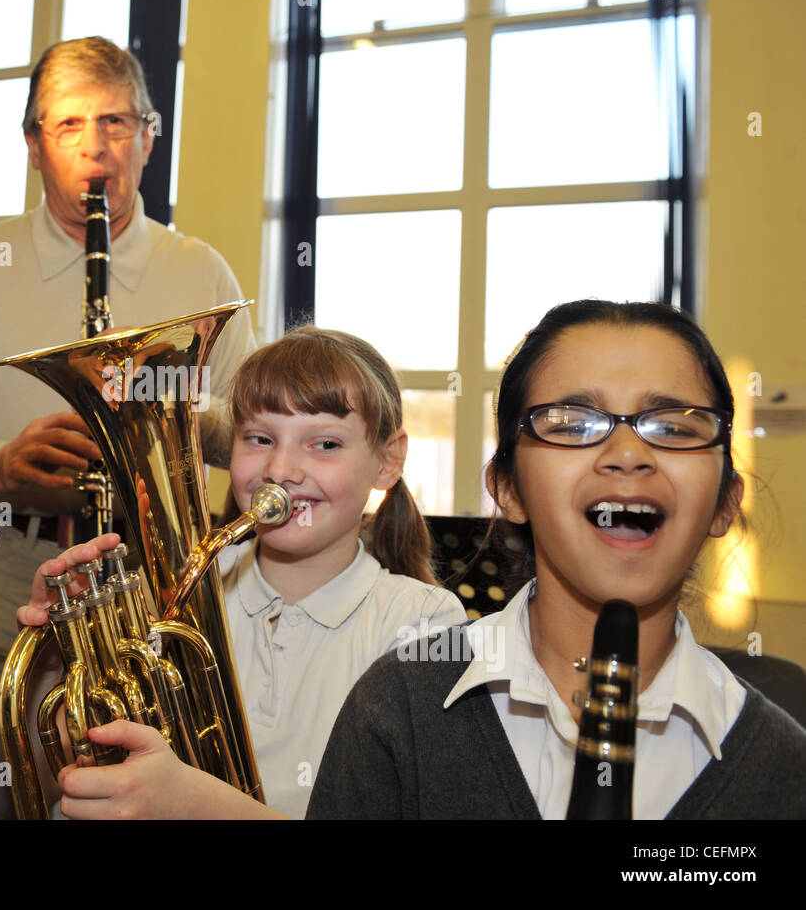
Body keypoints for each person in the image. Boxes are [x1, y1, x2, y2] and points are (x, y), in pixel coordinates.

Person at [0, 36, 256, 818]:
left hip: (155, 611)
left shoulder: (200, 270)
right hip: (10, 608)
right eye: (67, 125)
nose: (95, 147)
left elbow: (249, 435)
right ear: (34, 145)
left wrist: (152, 414)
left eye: (115, 122)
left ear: (149, 136)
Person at [308, 299, 806, 819]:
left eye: (675, 427)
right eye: (571, 423)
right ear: (507, 488)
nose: (628, 452)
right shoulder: (397, 711)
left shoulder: (785, 771)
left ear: (726, 503)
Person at [17, 327, 466, 818]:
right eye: (259, 438)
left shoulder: (424, 624)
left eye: (325, 444)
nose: (281, 469)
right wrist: (60, 653)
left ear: (388, 460)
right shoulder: (168, 594)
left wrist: (192, 802)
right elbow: (56, 777)